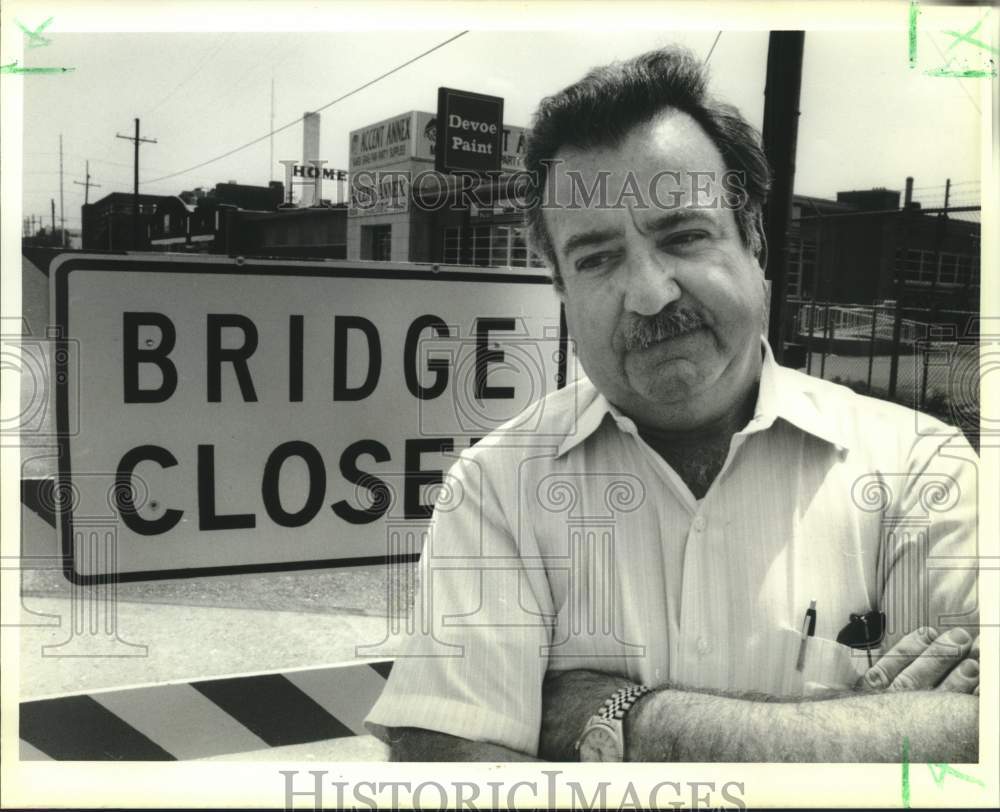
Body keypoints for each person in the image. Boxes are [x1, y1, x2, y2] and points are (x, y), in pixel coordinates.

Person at [364, 46, 979, 762]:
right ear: (561, 290)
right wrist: (866, 732)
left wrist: (612, 713)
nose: (651, 292)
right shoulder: (498, 488)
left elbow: (977, 748)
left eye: (683, 235)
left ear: (754, 241)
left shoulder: (920, 468)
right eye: (596, 258)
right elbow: (460, 772)